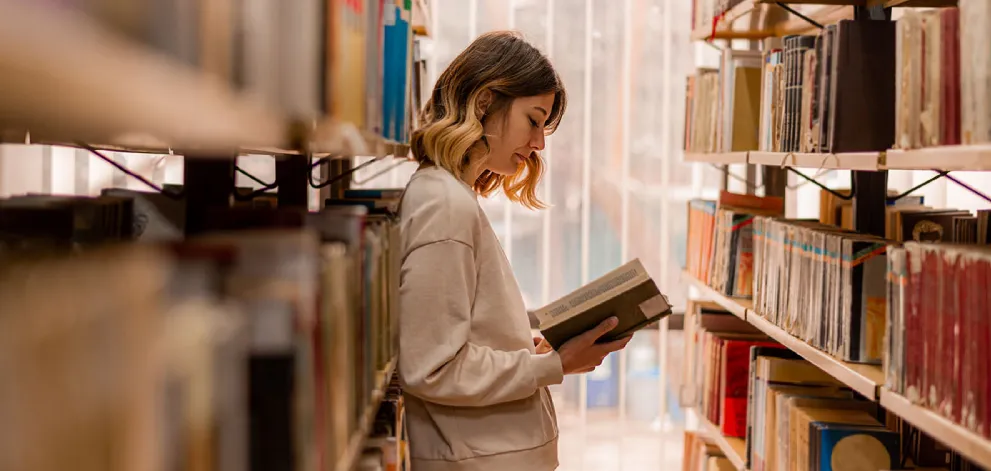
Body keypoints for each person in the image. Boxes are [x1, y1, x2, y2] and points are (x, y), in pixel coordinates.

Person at [397, 30, 633, 471]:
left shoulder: (453, 197)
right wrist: (555, 366)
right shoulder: (445, 205)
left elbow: (457, 328)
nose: (539, 143)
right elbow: (434, 367)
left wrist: (524, 340)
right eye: (534, 120)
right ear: (485, 103)